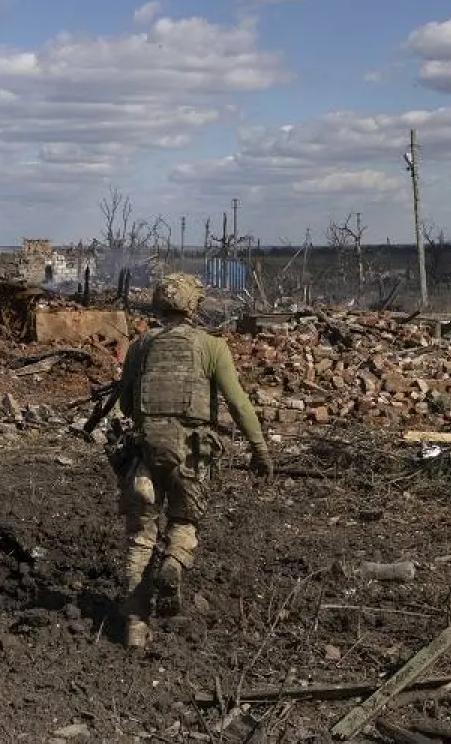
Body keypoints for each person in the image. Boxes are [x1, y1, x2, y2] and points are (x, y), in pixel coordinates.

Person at [111, 272, 274, 649]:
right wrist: (259, 448)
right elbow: (238, 402)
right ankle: (174, 562)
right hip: (192, 454)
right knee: (184, 521)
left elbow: (125, 403)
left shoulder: (141, 345)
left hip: (145, 452)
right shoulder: (212, 347)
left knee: (139, 538)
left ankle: (135, 625)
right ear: (194, 306)